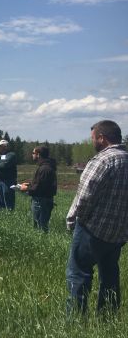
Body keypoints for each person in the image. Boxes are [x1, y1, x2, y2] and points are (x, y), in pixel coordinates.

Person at [65, 120, 128, 317]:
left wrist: (75, 220)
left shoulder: (102, 160)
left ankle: (75, 320)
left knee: (79, 272)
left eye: (93, 138)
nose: (92, 142)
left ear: (102, 138)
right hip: (118, 233)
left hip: (92, 230)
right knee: (109, 275)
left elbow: (84, 197)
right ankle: (107, 317)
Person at [20, 145, 58, 232]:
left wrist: (26, 188)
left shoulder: (44, 169)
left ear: (38, 155)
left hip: (41, 202)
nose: (32, 155)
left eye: (33, 153)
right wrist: (30, 184)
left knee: (40, 228)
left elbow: (39, 188)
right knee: (40, 226)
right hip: (43, 201)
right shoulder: (46, 166)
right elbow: (41, 184)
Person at [0, 139, 17, 211]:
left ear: (5, 147)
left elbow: (5, 165)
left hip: (8, 182)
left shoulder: (11, 155)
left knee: (8, 199)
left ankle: (9, 214)